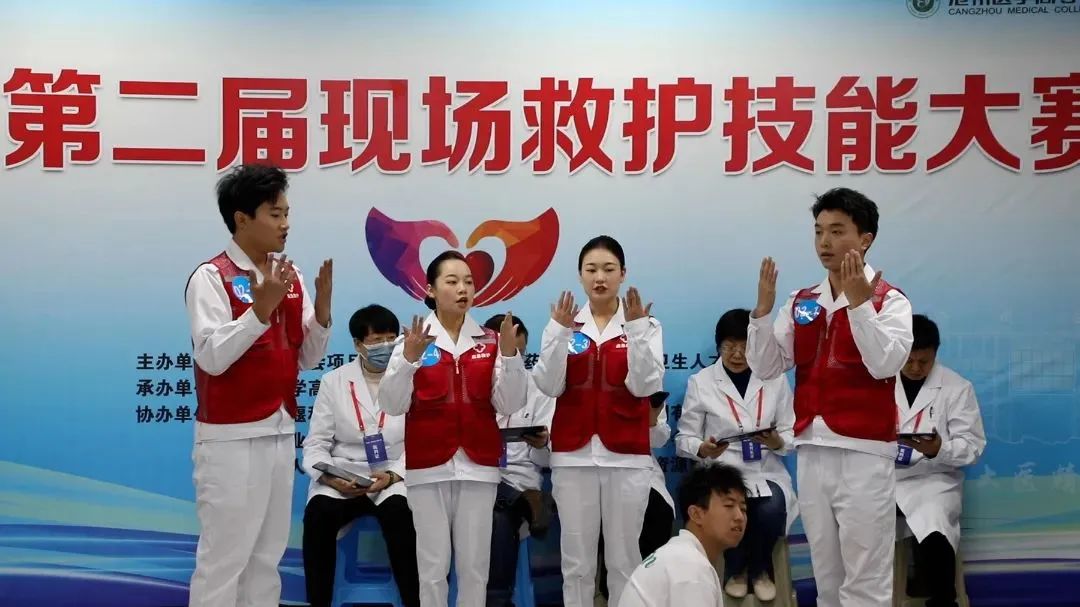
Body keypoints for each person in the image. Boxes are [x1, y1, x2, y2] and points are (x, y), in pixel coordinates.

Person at [747, 187, 913, 607]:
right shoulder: (803, 301)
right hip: (812, 449)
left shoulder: (890, 301)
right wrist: (762, 314)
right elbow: (766, 367)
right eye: (819, 231)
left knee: (866, 579)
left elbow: (884, 364)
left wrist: (859, 305)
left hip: (864, 452)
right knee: (826, 575)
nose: (825, 242)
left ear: (866, 239)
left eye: (838, 231)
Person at [185, 164, 332, 607]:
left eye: (287, 213)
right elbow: (211, 357)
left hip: (280, 432)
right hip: (230, 438)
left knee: (267, 558)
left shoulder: (291, 276)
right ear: (242, 219)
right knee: (224, 560)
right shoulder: (211, 277)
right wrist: (258, 313)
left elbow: (308, 358)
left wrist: (322, 317)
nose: (286, 224)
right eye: (275, 214)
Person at [380, 250, 528, 607]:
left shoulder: (490, 341)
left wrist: (510, 357)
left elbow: (509, 404)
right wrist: (409, 360)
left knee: (475, 568)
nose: (463, 289)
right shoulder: (413, 341)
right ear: (431, 290)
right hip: (427, 466)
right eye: (452, 281)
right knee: (432, 568)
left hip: (478, 465)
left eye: (469, 282)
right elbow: (391, 404)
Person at [532, 235, 665, 607]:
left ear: (623, 273)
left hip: (626, 456)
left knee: (624, 561)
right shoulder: (563, 324)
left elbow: (644, 387)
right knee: (577, 564)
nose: (600, 277)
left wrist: (636, 332)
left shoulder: (646, 325)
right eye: (591, 269)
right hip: (573, 456)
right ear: (580, 275)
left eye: (608, 269)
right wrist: (558, 334)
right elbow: (549, 385)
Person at [301, 305, 420, 607]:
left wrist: (393, 475)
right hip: (343, 476)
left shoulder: (413, 377)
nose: (386, 347)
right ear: (358, 344)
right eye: (377, 341)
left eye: (391, 339)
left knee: (402, 516)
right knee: (318, 516)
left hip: (393, 475)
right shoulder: (334, 381)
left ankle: (415, 601)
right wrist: (329, 477)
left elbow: (422, 441)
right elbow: (316, 443)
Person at [676, 308, 798, 602]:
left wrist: (777, 441)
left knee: (770, 507)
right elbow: (684, 438)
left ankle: (759, 570)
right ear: (719, 346)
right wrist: (703, 448)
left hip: (764, 469)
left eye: (745, 347)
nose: (737, 354)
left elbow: (791, 433)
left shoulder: (775, 379)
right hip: (721, 468)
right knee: (728, 506)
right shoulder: (702, 382)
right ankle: (736, 570)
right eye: (729, 346)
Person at [895, 315, 986, 607]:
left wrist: (939, 449)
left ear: (936, 353)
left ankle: (943, 600)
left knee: (933, 522)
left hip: (933, 480)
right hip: (883, 478)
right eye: (909, 360)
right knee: (853, 517)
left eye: (924, 361)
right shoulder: (876, 382)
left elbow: (972, 447)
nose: (915, 368)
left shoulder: (957, 388)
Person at [482, 313, 555, 607]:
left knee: (499, 515)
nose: (514, 359)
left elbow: (548, 458)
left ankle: (498, 601)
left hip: (520, 475)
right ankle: (524, 499)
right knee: (489, 495)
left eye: (520, 353)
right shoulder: (471, 382)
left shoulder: (540, 388)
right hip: (476, 473)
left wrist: (543, 442)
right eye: (506, 352)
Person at [618, 464, 749, 607]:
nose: (739, 517)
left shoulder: (682, 556)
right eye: (729, 506)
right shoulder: (690, 567)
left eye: (743, 509)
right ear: (696, 514)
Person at [595, 391, 675, 603]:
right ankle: (614, 592)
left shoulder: (647, 381)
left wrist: (650, 420)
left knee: (657, 511)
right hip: (595, 472)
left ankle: (649, 592)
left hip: (641, 469)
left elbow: (660, 439)